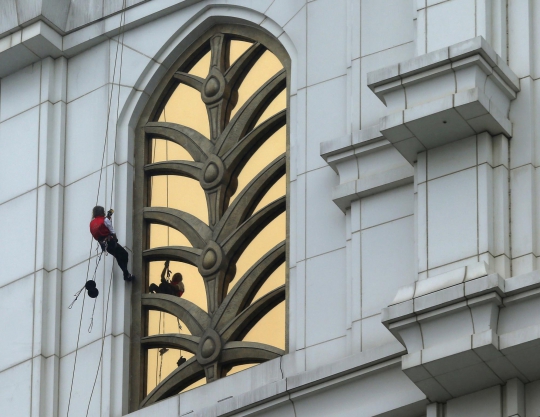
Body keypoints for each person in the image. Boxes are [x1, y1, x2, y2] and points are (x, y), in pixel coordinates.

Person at [89, 206, 134, 281]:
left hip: (103, 245)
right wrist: (116, 239)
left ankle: (126, 274)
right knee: (124, 254)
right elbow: (112, 231)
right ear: (102, 212)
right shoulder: (105, 220)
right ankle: (126, 274)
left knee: (118, 256)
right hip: (110, 242)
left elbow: (98, 232)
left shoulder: (92, 223)